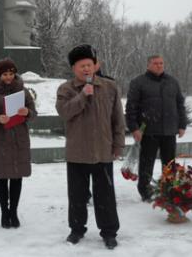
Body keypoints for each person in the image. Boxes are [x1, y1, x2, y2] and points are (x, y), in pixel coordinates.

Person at [56, 44, 125, 249]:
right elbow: (64, 112)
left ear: (95, 65)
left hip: (103, 150)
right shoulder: (66, 89)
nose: (86, 69)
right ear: (73, 69)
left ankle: (109, 232)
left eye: (89, 65)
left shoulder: (110, 87)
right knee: (77, 195)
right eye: (81, 66)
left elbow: (118, 119)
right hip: (77, 152)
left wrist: (118, 144)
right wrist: (82, 96)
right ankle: (77, 230)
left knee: (105, 195)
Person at [0, 58, 37, 229]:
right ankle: (5, 212)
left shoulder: (23, 91)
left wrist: (27, 112)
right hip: (1, 140)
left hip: (19, 139)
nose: (8, 77)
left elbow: (34, 113)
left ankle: (14, 211)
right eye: (5, 74)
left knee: (17, 177)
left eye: (11, 74)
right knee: (2, 177)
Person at [125, 55, 187, 202]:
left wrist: (182, 125)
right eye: (155, 63)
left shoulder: (172, 82)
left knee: (169, 164)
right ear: (148, 65)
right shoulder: (138, 82)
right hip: (148, 131)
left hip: (169, 131)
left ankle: (169, 188)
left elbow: (180, 105)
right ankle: (146, 192)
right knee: (147, 163)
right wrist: (134, 128)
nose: (159, 66)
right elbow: (131, 107)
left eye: (161, 63)